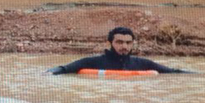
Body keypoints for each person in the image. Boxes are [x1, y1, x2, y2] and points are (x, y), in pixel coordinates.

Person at [47, 27, 191, 75]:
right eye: (120, 42)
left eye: (128, 43)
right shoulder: (94, 62)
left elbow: (172, 72)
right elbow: (64, 69)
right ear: (110, 43)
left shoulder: (142, 63)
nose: (125, 46)